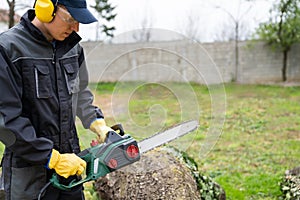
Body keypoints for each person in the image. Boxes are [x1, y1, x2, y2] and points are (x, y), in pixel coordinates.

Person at [0, 0, 113, 199]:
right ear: (46, 9)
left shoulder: (73, 48)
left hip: (71, 168)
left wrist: (98, 123)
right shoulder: (8, 49)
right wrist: (51, 158)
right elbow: (6, 121)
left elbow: (81, 94)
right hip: (29, 172)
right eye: (70, 19)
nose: (75, 28)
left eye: (78, 22)